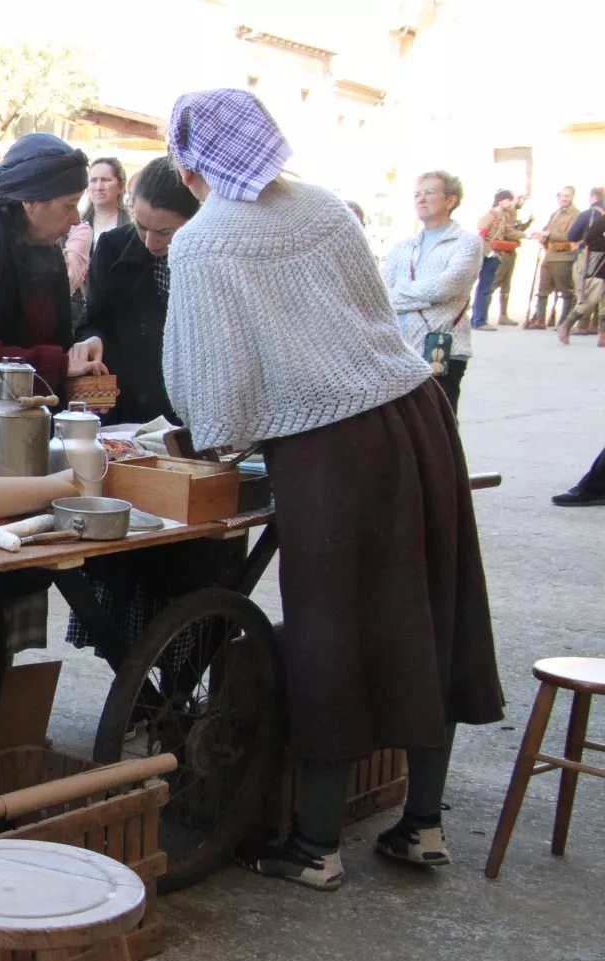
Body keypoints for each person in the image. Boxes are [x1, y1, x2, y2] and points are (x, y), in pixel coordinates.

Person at [161, 88, 501, 891]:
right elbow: (367, 316)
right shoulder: (321, 207)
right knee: (431, 607)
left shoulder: (204, 242)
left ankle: (316, 844)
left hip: (332, 447)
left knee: (330, 630)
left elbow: (215, 392)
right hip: (419, 416)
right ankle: (422, 824)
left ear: (190, 161)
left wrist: (218, 436)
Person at [0, 133, 108, 395]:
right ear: (29, 202)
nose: (75, 219)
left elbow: (54, 344)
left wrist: (79, 351)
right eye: (69, 205)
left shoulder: (47, 252)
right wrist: (57, 365)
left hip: (38, 415)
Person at [70, 156, 198, 426]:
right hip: (128, 412)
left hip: (189, 409)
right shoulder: (112, 247)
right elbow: (94, 320)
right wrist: (92, 339)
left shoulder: (209, 257)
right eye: (141, 226)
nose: (151, 242)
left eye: (165, 232)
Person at [381, 171, 482, 412]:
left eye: (429, 192)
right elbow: (380, 293)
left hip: (443, 348)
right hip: (401, 350)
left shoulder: (467, 243)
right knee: (403, 423)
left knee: (439, 420)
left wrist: (399, 294)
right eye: (417, 194)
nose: (421, 199)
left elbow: (444, 288)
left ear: (450, 200)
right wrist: (423, 296)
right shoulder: (404, 247)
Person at [471, 190, 530, 330]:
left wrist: (528, 235)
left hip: (496, 255)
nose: (510, 203)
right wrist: (489, 252)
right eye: (508, 200)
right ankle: (479, 320)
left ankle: (479, 319)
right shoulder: (489, 216)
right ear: (501, 201)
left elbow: (509, 232)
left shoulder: (501, 216)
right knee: (485, 288)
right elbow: (480, 236)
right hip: (488, 256)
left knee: (486, 287)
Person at [527, 186, 580, 328]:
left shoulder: (576, 215)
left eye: (567, 196)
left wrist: (550, 234)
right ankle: (539, 319)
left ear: (572, 197)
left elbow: (571, 235)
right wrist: (541, 236)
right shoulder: (555, 214)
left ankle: (564, 322)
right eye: (562, 196)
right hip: (549, 255)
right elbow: (546, 230)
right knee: (542, 289)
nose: (564, 199)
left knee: (566, 290)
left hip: (564, 257)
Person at [558, 187, 605, 344]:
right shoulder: (600, 218)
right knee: (590, 300)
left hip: (596, 261)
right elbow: (591, 237)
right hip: (598, 264)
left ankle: (603, 336)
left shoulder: (591, 213)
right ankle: (567, 325)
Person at [80, 157, 130, 247]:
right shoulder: (75, 224)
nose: (99, 187)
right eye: (93, 180)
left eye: (105, 180)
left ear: (121, 186)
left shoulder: (133, 224)